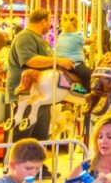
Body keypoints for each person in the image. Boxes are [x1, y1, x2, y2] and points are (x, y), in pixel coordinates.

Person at [6, 9, 74, 141]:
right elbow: (29, 60)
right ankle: (15, 162)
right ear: (43, 22)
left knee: (39, 138)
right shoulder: (25, 37)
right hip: (25, 96)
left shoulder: (39, 39)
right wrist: (58, 60)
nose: (50, 25)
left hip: (40, 95)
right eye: (49, 21)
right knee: (22, 139)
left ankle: (37, 161)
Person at [53, 15, 91, 92]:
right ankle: (88, 94)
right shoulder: (77, 35)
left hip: (60, 63)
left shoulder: (61, 35)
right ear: (76, 25)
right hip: (74, 64)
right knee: (90, 75)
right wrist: (94, 38)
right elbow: (88, 41)